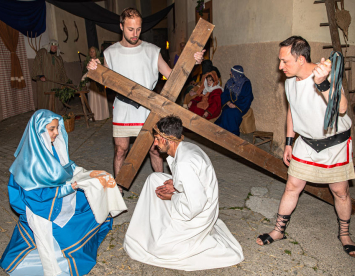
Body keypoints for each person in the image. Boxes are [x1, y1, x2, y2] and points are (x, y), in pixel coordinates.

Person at [256, 36, 355, 258]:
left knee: (340, 192)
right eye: (280, 61)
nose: (280, 67)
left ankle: (344, 234)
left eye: (285, 61)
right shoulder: (290, 81)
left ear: (301, 59)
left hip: (335, 144)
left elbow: (341, 107)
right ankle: (278, 231)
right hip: (306, 143)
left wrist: (322, 82)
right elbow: (292, 110)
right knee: (292, 187)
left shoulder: (326, 74)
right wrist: (289, 142)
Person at [0, 109, 124, 275]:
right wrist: (69, 188)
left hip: (56, 196)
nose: (57, 133)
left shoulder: (49, 147)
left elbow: (68, 168)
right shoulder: (29, 163)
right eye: (52, 129)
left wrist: (90, 174)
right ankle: (67, 256)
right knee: (71, 229)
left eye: (57, 128)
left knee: (92, 198)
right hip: (42, 208)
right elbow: (36, 197)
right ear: (39, 131)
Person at [87, 8, 204, 181]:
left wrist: (193, 62)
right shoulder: (110, 53)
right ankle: (117, 189)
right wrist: (95, 69)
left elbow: (173, 76)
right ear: (121, 26)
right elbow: (104, 82)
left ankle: (161, 185)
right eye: (130, 29)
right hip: (123, 107)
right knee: (121, 150)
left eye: (138, 29)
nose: (135, 34)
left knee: (154, 150)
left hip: (149, 108)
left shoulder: (152, 51)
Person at [123, 115, 244, 271]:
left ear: (169, 140)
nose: (154, 143)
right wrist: (176, 184)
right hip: (195, 198)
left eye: (158, 139)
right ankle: (151, 223)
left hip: (199, 215)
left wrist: (173, 196)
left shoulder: (184, 163)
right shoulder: (186, 147)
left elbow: (195, 206)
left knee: (159, 249)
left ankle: (207, 245)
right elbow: (195, 180)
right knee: (154, 178)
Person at [31, 40, 69, 113]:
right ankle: (45, 115)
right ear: (49, 46)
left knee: (57, 98)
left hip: (56, 82)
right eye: (52, 45)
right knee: (45, 99)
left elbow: (62, 70)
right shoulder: (42, 53)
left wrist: (65, 81)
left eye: (56, 46)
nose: (54, 47)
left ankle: (56, 113)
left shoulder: (59, 57)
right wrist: (40, 76)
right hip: (45, 83)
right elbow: (36, 65)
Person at [215, 65, 253, 136]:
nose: (230, 73)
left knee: (232, 113)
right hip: (229, 104)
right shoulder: (229, 82)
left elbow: (247, 98)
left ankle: (233, 135)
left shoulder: (246, 84)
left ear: (236, 73)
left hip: (240, 106)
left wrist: (236, 105)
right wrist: (228, 103)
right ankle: (222, 132)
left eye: (231, 72)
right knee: (226, 111)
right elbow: (224, 94)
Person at [83, 46, 109, 120]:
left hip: (99, 82)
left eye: (93, 51)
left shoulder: (100, 60)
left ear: (96, 52)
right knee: (92, 99)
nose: (91, 53)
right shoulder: (87, 61)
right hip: (91, 83)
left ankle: (103, 115)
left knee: (101, 98)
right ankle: (94, 116)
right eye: (90, 51)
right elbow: (84, 72)